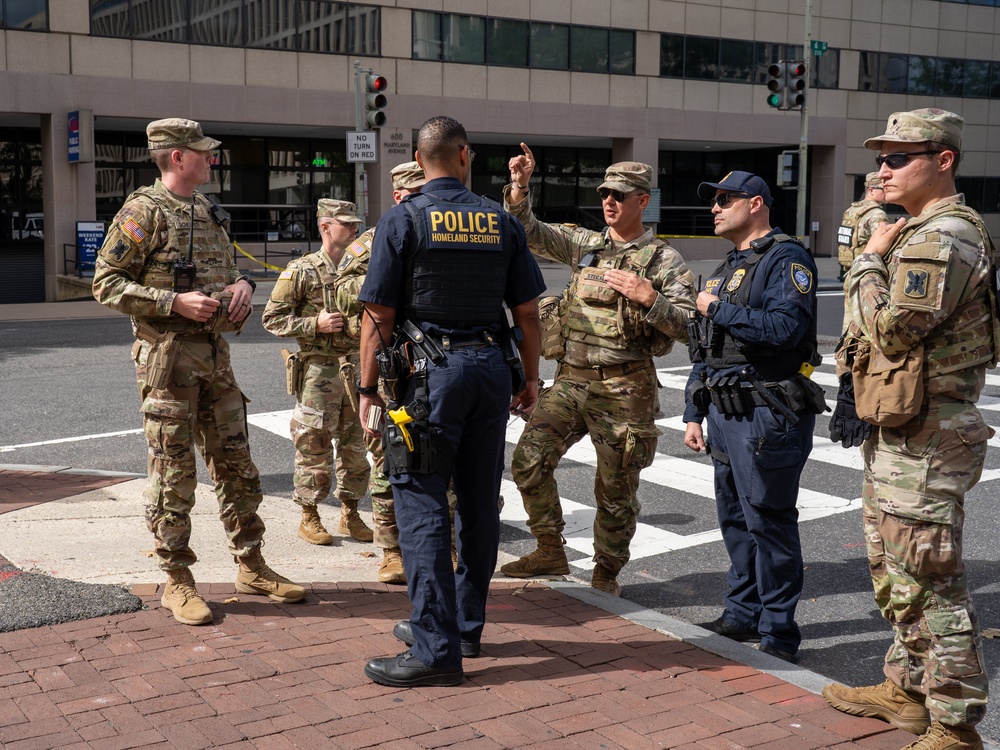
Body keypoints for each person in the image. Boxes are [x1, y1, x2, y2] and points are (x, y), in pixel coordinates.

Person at [822, 109, 994, 750]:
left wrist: (866, 264)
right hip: (903, 424)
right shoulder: (917, 229)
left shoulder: (939, 237)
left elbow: (893, 329)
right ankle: (908, 691)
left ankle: (955, 726)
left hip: (929, 429)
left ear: (943, 160)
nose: (882, 169)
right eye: (881, 157)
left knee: (929, 575)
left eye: (898, 157)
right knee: (894, 568)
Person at [92, 118, 305, 626]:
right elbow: (105, 282)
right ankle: (177, 580)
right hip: (169, 363)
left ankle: (250, 564)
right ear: (177, 157)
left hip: (216, 359)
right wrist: (172, 301)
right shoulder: (143, 211)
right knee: (174, 474)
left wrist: (242, 288)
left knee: (237, 464)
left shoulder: (207, 209)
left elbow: (228, 268)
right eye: (203, 153)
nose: (212, 159)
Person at [357, 116, 543, 687]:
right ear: (465, 156)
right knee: (480, 504)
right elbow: (529, 313)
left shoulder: (403, 219)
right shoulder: (501, 221)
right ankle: (464, 627)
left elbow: (379, 316)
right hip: (491, 370)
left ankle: (436, 649)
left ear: (420, 157)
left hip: (430, 378)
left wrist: (367, 389)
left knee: (421, 506)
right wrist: (530, 379)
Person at [500, 144, 696, 596]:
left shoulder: (664, 261)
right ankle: (549, 548)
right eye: (605, 193)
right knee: (528, 462)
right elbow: (526, 229)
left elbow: (689, 328)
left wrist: (652, 299)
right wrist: (520, 186)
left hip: (625, 389)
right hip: (570, 382)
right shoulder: (588, 246)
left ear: (643, 201)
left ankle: (606, 573)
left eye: (619, 196)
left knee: (615, 490)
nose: (608, 201)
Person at [682, 171, 822, 664]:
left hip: (767, 411)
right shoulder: (728, 266)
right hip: (724, 411)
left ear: (756, 203)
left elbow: (785, 329)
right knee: (735, 518)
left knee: (769, 520)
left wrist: (717, 308)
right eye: (713, 200)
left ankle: (779, 632)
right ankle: (742, 613)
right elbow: (706, 348)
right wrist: (693, 411)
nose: (715, 207)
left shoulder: (786, 258)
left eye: (725, 199)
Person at [332, 162, 427, 584]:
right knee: (384, 454)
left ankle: (447, 543)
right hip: (381, 365)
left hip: (426, 360)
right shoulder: (372, 242)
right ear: (397, 196)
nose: (419, 201)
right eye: (411, 194)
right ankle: (391, 550)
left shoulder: (437, 235)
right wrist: (391, 280)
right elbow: (342, 290)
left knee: (438, 450)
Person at [261, 199, 375, 547]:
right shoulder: (302, 270)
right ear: (325, 227)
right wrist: (315, 323)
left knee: (357, 445)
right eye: (346, 224)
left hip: (358, 368)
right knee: (313, 445)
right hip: (318, 372)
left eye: (356, 224)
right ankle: (309, 515)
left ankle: (351, 513)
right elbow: (272, 318)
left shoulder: (365, 270)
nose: (354, 230)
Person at [838, 172, 888, 281]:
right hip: (867, 271)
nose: (887, 192)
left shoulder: (852, 210)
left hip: (849, 270)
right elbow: (883, 243)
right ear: (871, 190)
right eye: (883, 189)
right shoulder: (877, 214)